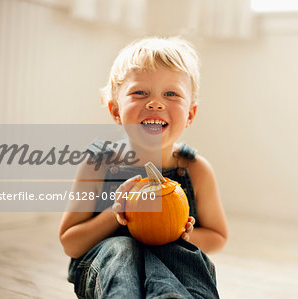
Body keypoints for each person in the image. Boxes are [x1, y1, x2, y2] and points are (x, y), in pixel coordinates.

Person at [58, 36, 228, 298]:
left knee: (178, 253)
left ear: (191, 114)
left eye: (171, 94)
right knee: (122, 248)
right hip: (108, 268)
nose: (155, 103)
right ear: (115, 111)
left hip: (172, 267)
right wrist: (115, 213)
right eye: (140, 93)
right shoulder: (99, 165)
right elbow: (71, 242)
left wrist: (178, 233)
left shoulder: (195, 170)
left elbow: (217, 236)